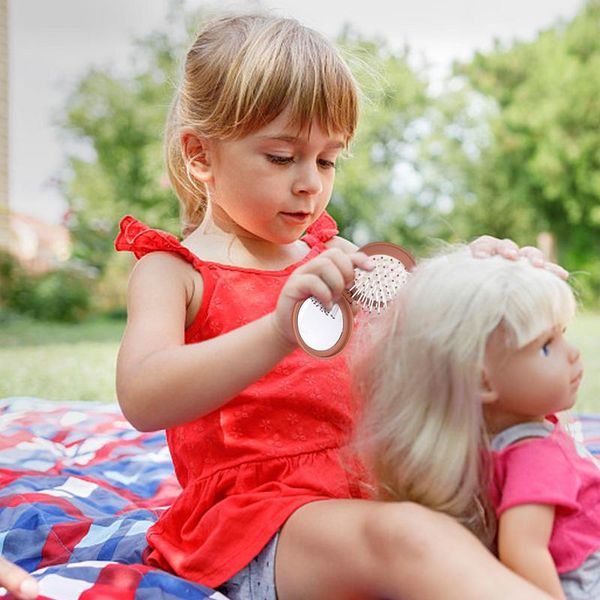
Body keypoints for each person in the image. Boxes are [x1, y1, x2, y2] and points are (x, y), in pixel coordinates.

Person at [115, 12, 559, 599]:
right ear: (200, 155)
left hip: (366, 491)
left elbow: (424, 324)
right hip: (256, 525)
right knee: (406, 539)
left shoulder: (334, 255)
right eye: (282, 157)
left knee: (515, 483)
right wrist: (278, 329)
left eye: (327, 160)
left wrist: (475, 275)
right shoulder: (173, 272)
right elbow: (144, 396)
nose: (309, 183)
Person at [355, 246, 592, 599]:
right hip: (581, 577)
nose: (572, 353)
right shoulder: (536, 456)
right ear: (482, 382)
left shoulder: (486, 442)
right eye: (546, 346)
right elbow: (524, 550)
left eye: (562, 334)